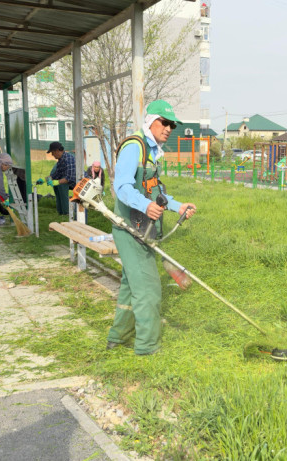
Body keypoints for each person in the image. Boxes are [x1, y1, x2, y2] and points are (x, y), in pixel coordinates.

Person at [106, 100, 197, 356]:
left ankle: (118, 337)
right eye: (164, 122)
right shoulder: (134, 147)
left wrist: (177, 206)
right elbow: (122, 186)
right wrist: (145, 206)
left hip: (143, 229)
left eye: (172, 125)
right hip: (129, 228)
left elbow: (154, 189)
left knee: (130, 287)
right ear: (151, 121)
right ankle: (148, 348)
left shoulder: (152, 151)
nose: (168, 128)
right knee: (148, 290)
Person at [46, 141, 76, 215]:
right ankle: (60, 212)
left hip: (79, 182)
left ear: (57, 151)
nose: (52, 155)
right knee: (58, 185)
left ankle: (66, 212)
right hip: (70, 181)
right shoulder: (60, 160)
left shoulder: (68, 159)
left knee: (61, 185)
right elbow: (56, 174)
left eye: (52, 152)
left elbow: (69, 178)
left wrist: (56, 182)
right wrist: (45, 179)